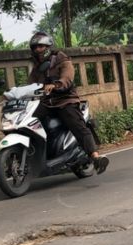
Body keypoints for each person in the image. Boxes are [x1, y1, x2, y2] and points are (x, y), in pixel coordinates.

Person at [27, 31, 109, 175]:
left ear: (48, 46)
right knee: (29, 121)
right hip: (47, 103)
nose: (38, 50)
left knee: (78, 126)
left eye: (40, 46)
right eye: (35, 47)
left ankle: (95, 157)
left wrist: (58, 84)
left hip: (65, 100)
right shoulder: (36, 67)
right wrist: (15, 94)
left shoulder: (61, 58)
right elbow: (30, 85)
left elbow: (67, 75)